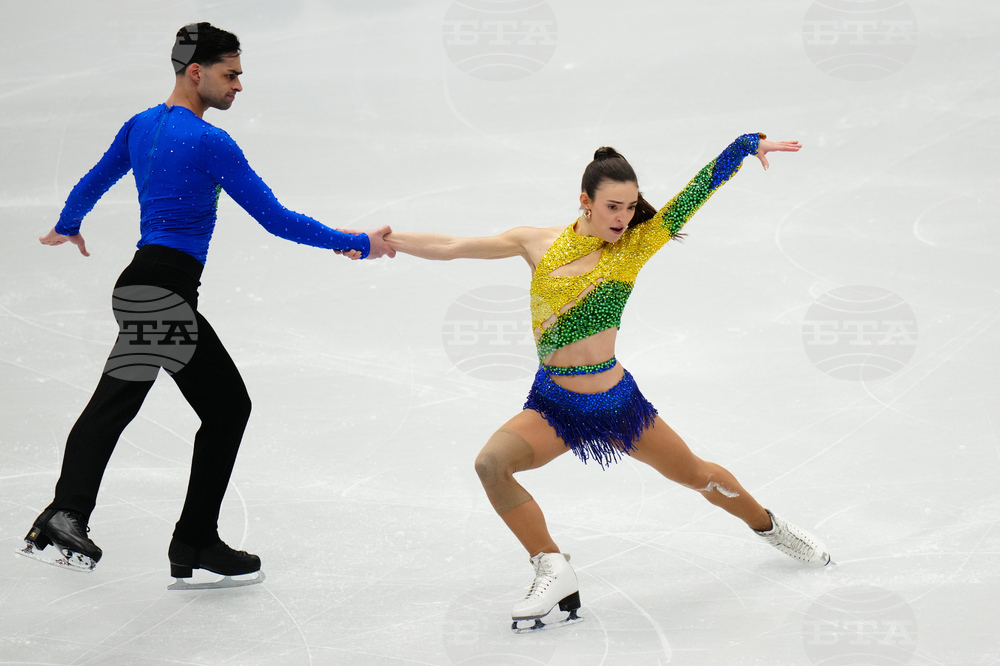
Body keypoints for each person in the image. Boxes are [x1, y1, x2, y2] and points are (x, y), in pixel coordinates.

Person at [380, 133, 832, 632]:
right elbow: (451, 246)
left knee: (697, 476)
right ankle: (551, 567)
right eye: (613, 206)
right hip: (554, 405)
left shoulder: (636, 246)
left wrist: (745, 146)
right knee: (491, 465)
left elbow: (692, 196)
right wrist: (377, 241)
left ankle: (769, 525)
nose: (623, 217)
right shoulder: (537, 242)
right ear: (585, 202)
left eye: (631, 207)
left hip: (618, 405)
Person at [19, 23, 393, 588]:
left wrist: (69, 224)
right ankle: (154, 531)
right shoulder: (210, 141)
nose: (239, 85)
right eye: (231, 73)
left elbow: (93, 182)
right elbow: (276, 219)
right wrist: (356, 242)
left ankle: (161, 532)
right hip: (164, 293)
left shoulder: (140, 126)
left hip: (143, 289)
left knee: (137, 403)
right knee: (209, 408)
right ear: (197, 72)